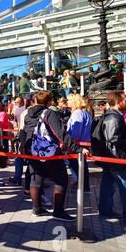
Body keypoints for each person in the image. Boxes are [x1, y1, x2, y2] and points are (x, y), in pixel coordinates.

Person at [23, 90, 89, 221]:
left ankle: (37, 208)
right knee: (61, 180)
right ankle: (58, 212)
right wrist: (77, 149)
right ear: (48, 102)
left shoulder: (27, 114)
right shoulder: (49, 113)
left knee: (36, 180)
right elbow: (60, 133)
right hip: (50, 152)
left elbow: (26, 133)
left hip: (34, 151)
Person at [99, 91, 126, 225]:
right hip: (117, 157)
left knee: (108, 185)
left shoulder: (113, 116)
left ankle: (105, 210)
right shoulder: (113, 117)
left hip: (113, 157)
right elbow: (112, 138)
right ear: (117, 101)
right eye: (125, 99)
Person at [66, 93, 92, 192]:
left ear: (74, 101)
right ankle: (84, 185)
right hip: (84, 142)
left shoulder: (77, 113)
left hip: (77, 143)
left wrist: (69, 141)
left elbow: (76, 130)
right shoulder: (86, 112)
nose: (67, 102)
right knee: (81, 165)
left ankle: (81, 184)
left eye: (69, 100)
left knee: (75, 164)